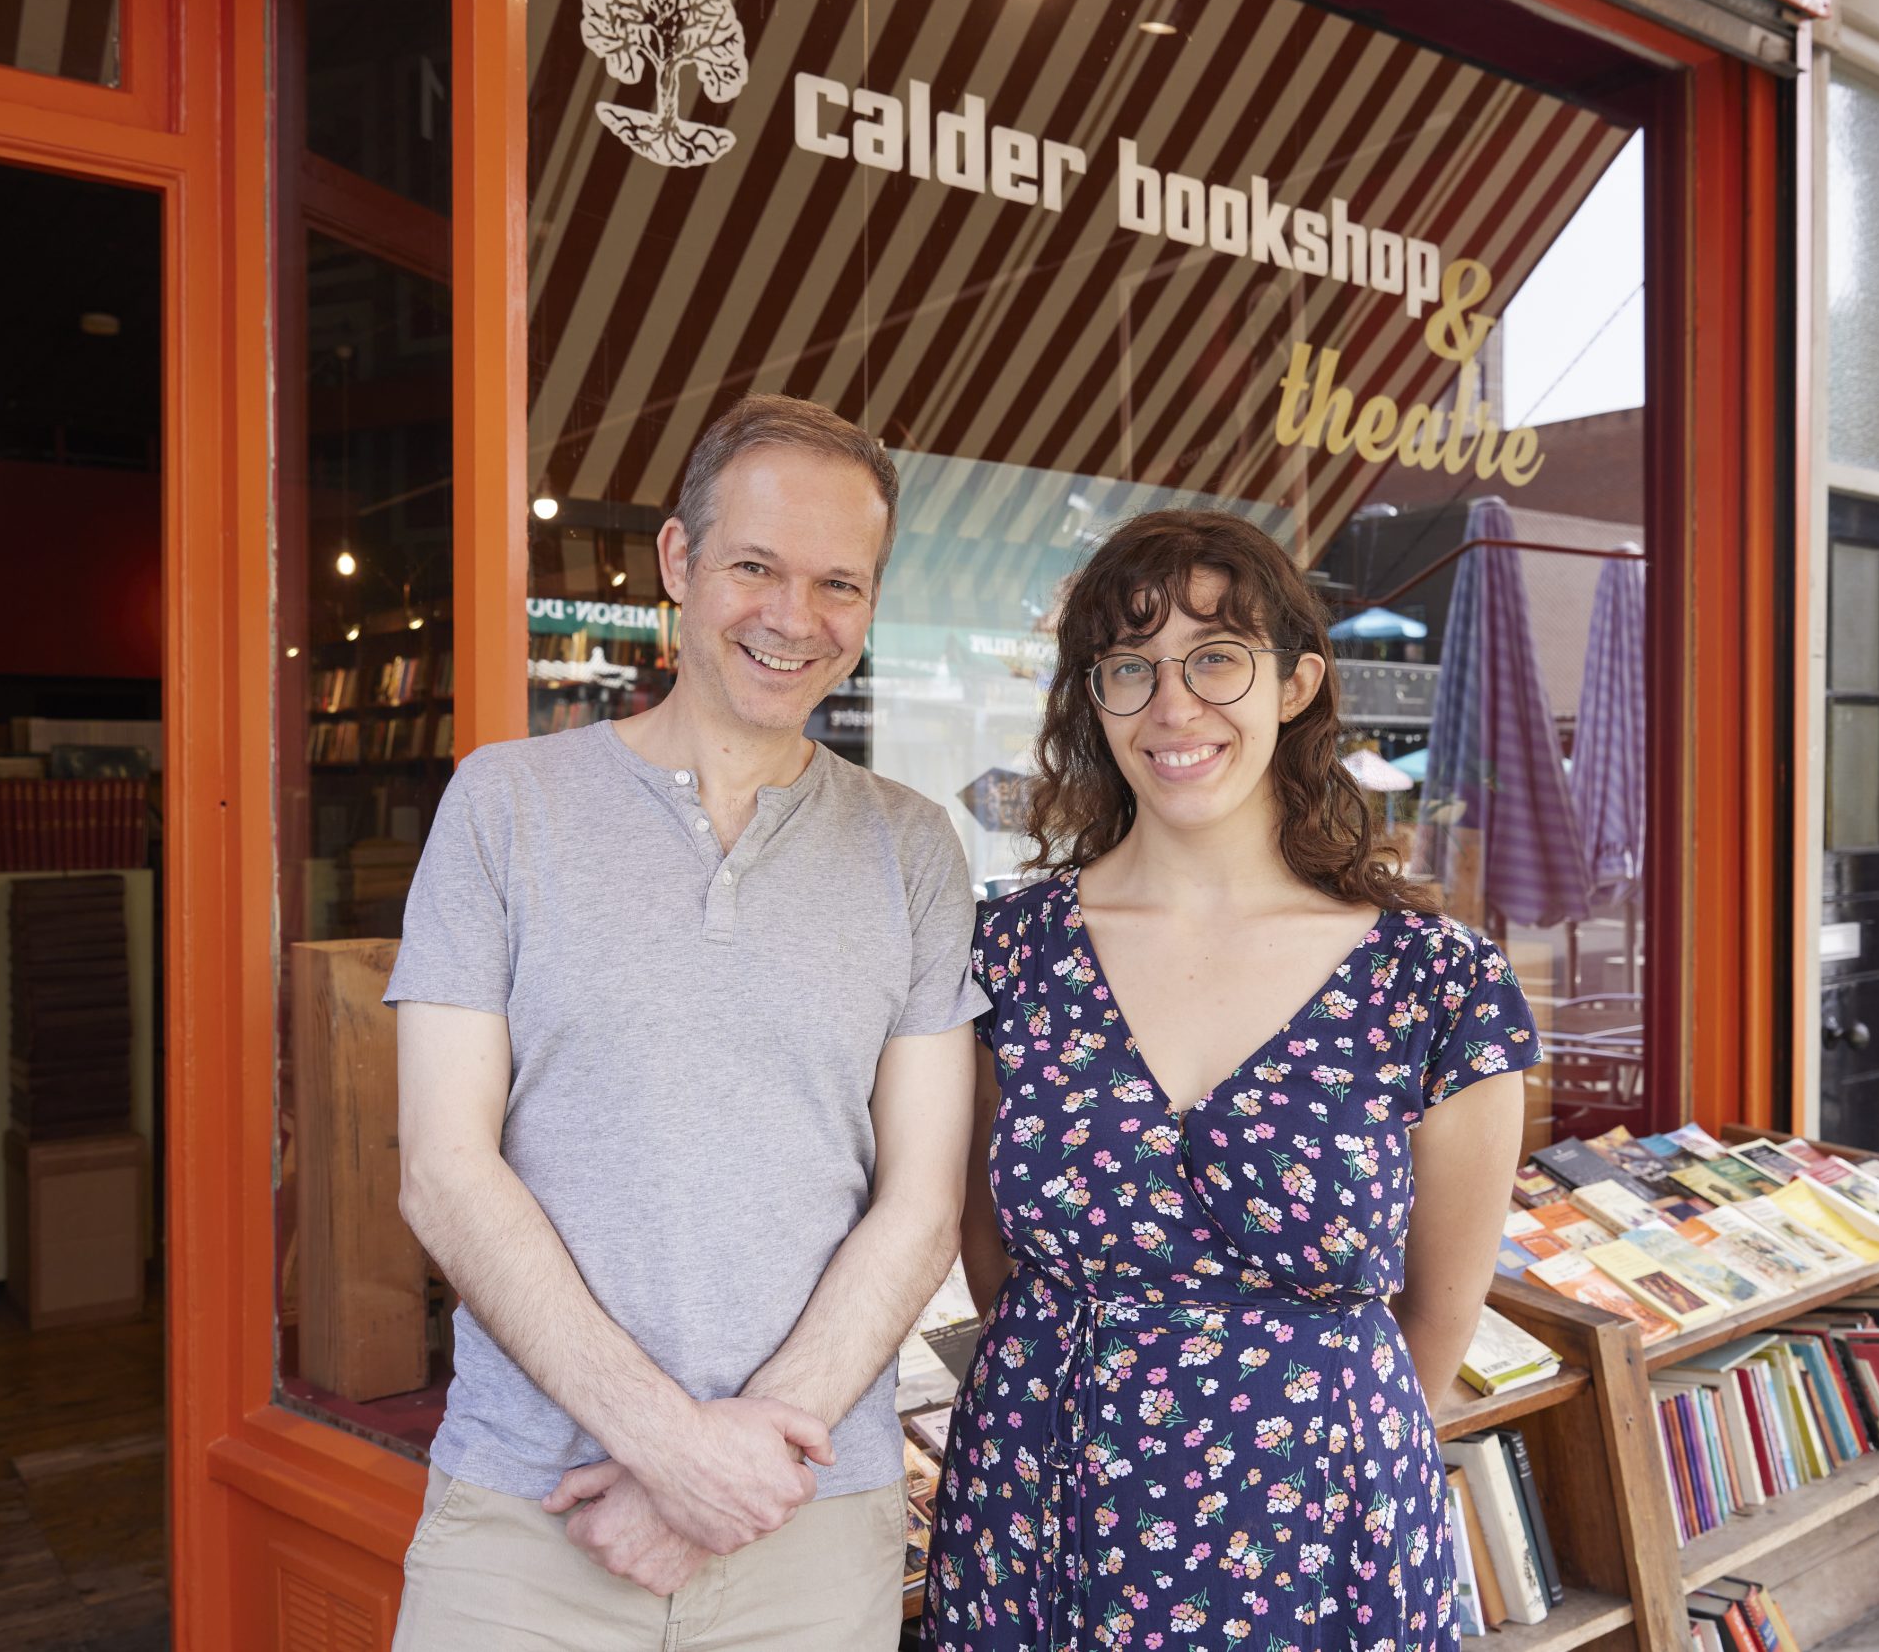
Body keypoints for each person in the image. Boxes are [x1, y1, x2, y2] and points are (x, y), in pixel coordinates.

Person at [388, 393, 986, 1650]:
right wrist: (675, 1453)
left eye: (839, 585)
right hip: (528, 1515)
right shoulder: (504, 807)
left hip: (810, 1520)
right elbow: (445, 1172)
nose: (794, 618)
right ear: (676, 560)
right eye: (754, 567)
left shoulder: (914, 845)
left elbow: (921, 1205)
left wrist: (731, 1476)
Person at [927, 509, 1535, 1651]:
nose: (1173, 707)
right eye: (1128, 668)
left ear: (1296, 683)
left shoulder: (1432, 982)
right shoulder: (1007, 953)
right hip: (1047, 1506)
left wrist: (1289, 1452)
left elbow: (1437, 1325)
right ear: (1089, 701)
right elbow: (986, 1250)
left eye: (1215, 658)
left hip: (1321, 1525)